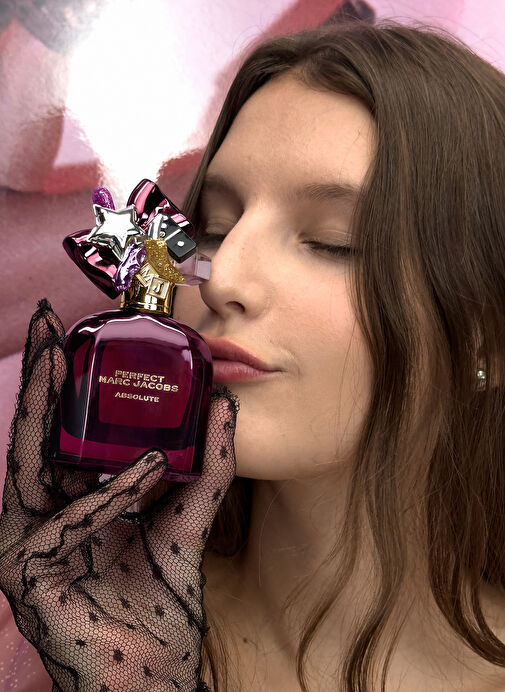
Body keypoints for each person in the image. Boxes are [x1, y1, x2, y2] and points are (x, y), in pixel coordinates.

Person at [2, 18, 505, 692]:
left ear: (485, 336)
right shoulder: (56, 635)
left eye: (332, 241)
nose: (224, 277)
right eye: (211, 230)